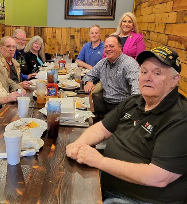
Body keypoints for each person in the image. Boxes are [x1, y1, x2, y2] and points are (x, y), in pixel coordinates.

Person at [66, 46, 187, 204]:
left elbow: (158, 177)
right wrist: (79, 144)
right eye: (144, 72)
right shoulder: (134, 102)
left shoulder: (179, 118)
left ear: (175, 79)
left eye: (157, 73)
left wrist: (99, 161)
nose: (147, 78)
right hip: (106, 182)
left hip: (139, 199)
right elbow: (102, 128)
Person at [83, 35, 140, 118]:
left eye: (111, 46)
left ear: (120, 48)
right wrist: (89, 82)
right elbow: (88, 75)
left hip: (122, 105)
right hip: (105, 100)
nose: (108, 49)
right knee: (83, 106)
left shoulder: (129, 64)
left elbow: (137, 90)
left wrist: (130, 110)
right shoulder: (103, 62)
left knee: (106, 121)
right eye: (106, 47)